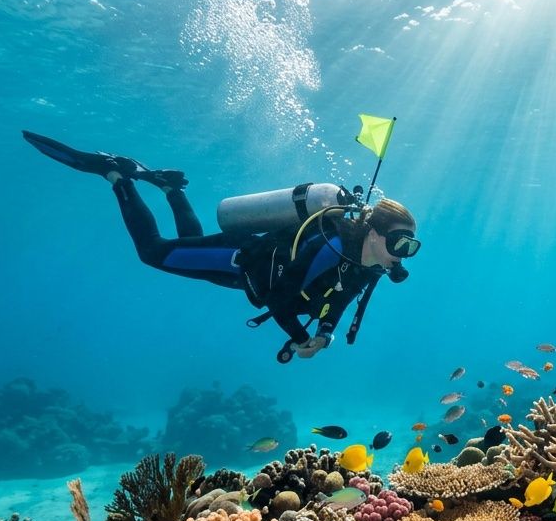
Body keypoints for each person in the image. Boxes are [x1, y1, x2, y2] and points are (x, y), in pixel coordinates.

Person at [22, 131, 419, 362]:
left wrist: (326, 333)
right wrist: (300, 340)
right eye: (400, 243)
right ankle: (117, 176)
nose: (401, 254)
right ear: (373, 233)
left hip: (248, 278)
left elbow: (341, 301)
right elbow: (281, 299)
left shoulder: (367, 266)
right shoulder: (330, 244)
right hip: (238, 260)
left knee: (185, 247)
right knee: (154, 252)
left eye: (410, 247)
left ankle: (171, 189)